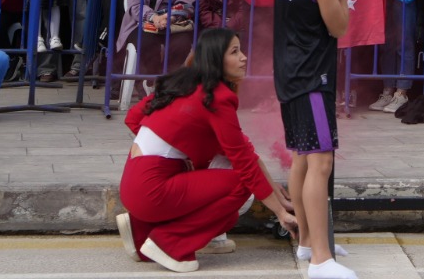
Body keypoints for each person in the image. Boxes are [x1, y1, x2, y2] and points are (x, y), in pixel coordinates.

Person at [117, 29, 297, 274]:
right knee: (241, 186)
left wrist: (176, 146)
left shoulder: (181, 81)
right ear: (215, 59)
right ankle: (170, 244)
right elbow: (245, 164)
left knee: (228, 211)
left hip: (133, 182)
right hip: (153, 190)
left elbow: (133, 118)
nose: (244, 57)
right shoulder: (218, 98)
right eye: (235, 52)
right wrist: (280, 212)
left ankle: (142, 231)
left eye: (241, 50)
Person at [272, 0, 353, 279]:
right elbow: (339, 26)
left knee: (302, 157)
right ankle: (321, 259)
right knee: (320, 161)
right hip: (312, 77)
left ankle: (307, 241)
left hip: (289, 72)